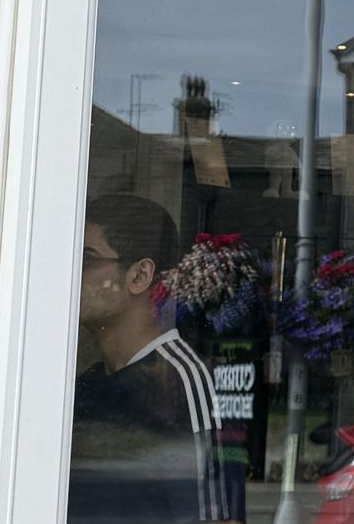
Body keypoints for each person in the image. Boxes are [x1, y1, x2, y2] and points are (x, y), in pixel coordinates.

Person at [69, 193, 236, 522]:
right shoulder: (88, 383)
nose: (72, 273)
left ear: (139, 275)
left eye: (87, 260)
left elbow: (211, 516)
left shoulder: (181, 381)